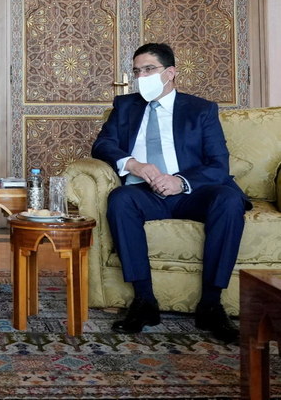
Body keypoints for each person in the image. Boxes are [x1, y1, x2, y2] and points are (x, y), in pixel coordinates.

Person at [91, 43, 250, 343]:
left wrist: (181, 181)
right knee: (120, 200)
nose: (142, 77)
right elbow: (102, 145)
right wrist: (133, 164)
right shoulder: (125, 107)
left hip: (191, 193)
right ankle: (144, 301)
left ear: (171, 73)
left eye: (149, 69)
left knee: (229, 200)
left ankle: (211, 304)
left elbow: (219, 165)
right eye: (138, 71)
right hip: (145, 194)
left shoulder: (201, 109)